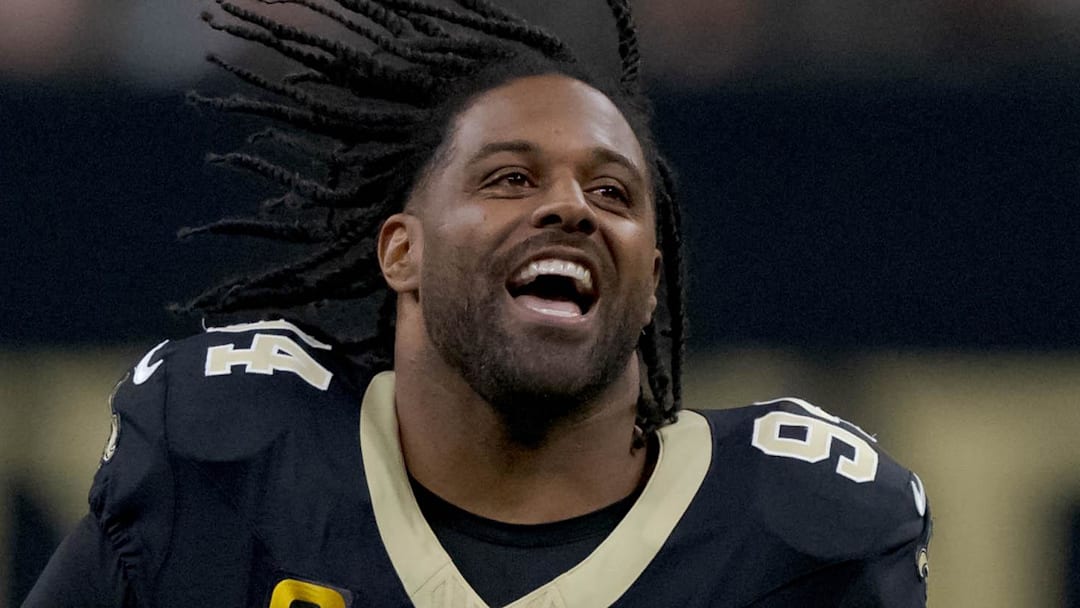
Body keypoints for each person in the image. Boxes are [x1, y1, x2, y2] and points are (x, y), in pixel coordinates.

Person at [25, 1, 932, 606]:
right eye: (509, 177)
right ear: (401, 249)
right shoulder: (227, 460)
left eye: (614, 194)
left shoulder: (801, 538)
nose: (572, 206)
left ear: (651, 283)